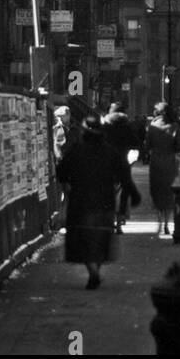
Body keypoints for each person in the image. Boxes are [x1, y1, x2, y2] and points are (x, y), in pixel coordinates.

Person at [55, 113, 140, 290]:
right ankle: (96, 269)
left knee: (83, 238)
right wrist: (133, 193)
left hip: (80, 202)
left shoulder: (76, 150)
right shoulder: (109, 151)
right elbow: (124, 174)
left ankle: (92, 271)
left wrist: (70, 180)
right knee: (101, 238)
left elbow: (61, 172)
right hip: (104, 201)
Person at [147, 102, 180, 236]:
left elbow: (147, 145)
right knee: (169, 193)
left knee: (156, 192)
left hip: (155, 163)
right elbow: (179, 146)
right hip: (170, 163)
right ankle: (167, 224)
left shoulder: (152, 126)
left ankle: (160, 223)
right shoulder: (174, 126)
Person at [102, 102, 137, 232]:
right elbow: (135, 143)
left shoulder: (105, 125)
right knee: (124, 191)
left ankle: (109, 218)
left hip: (107, 163)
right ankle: (120, 219)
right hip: (122, 162)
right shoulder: (127, 126)